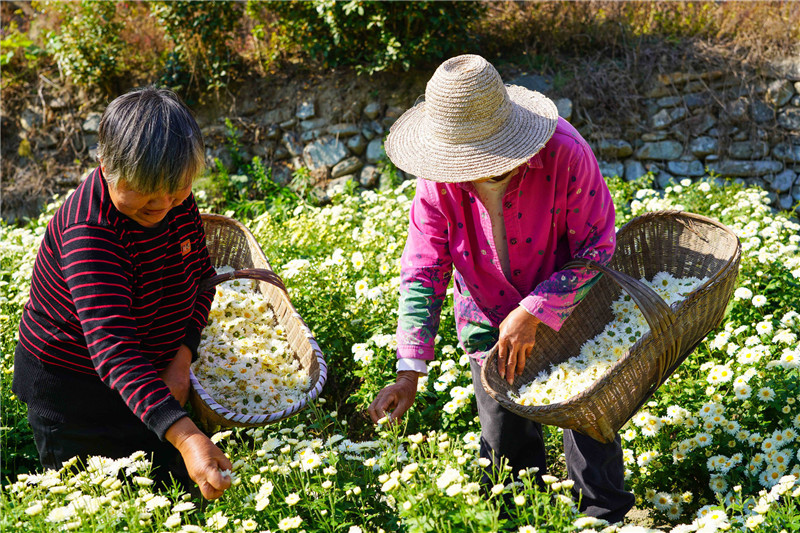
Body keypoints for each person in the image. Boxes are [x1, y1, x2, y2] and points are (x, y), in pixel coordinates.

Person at [368, 54, 634, 522]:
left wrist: (535, 310)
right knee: (506, 461)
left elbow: (598, 246)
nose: (466, 169)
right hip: (485, 316)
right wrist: (409, 371)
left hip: (573, 312)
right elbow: (424, 269)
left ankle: (603, 520)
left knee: (590, 435)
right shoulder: (438, 181)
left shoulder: (565, 153)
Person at [13, 87, 232, 499]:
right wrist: (186, 438)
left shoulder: (170, 196)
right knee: (104, 507)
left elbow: (201, 277)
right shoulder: (90, 231)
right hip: (77, 398)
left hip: (149, 382)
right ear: (105, 164)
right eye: (147, 191)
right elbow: (114, 350)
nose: (162, 204)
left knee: (170, 498)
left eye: (177, 189)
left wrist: (182, 356)